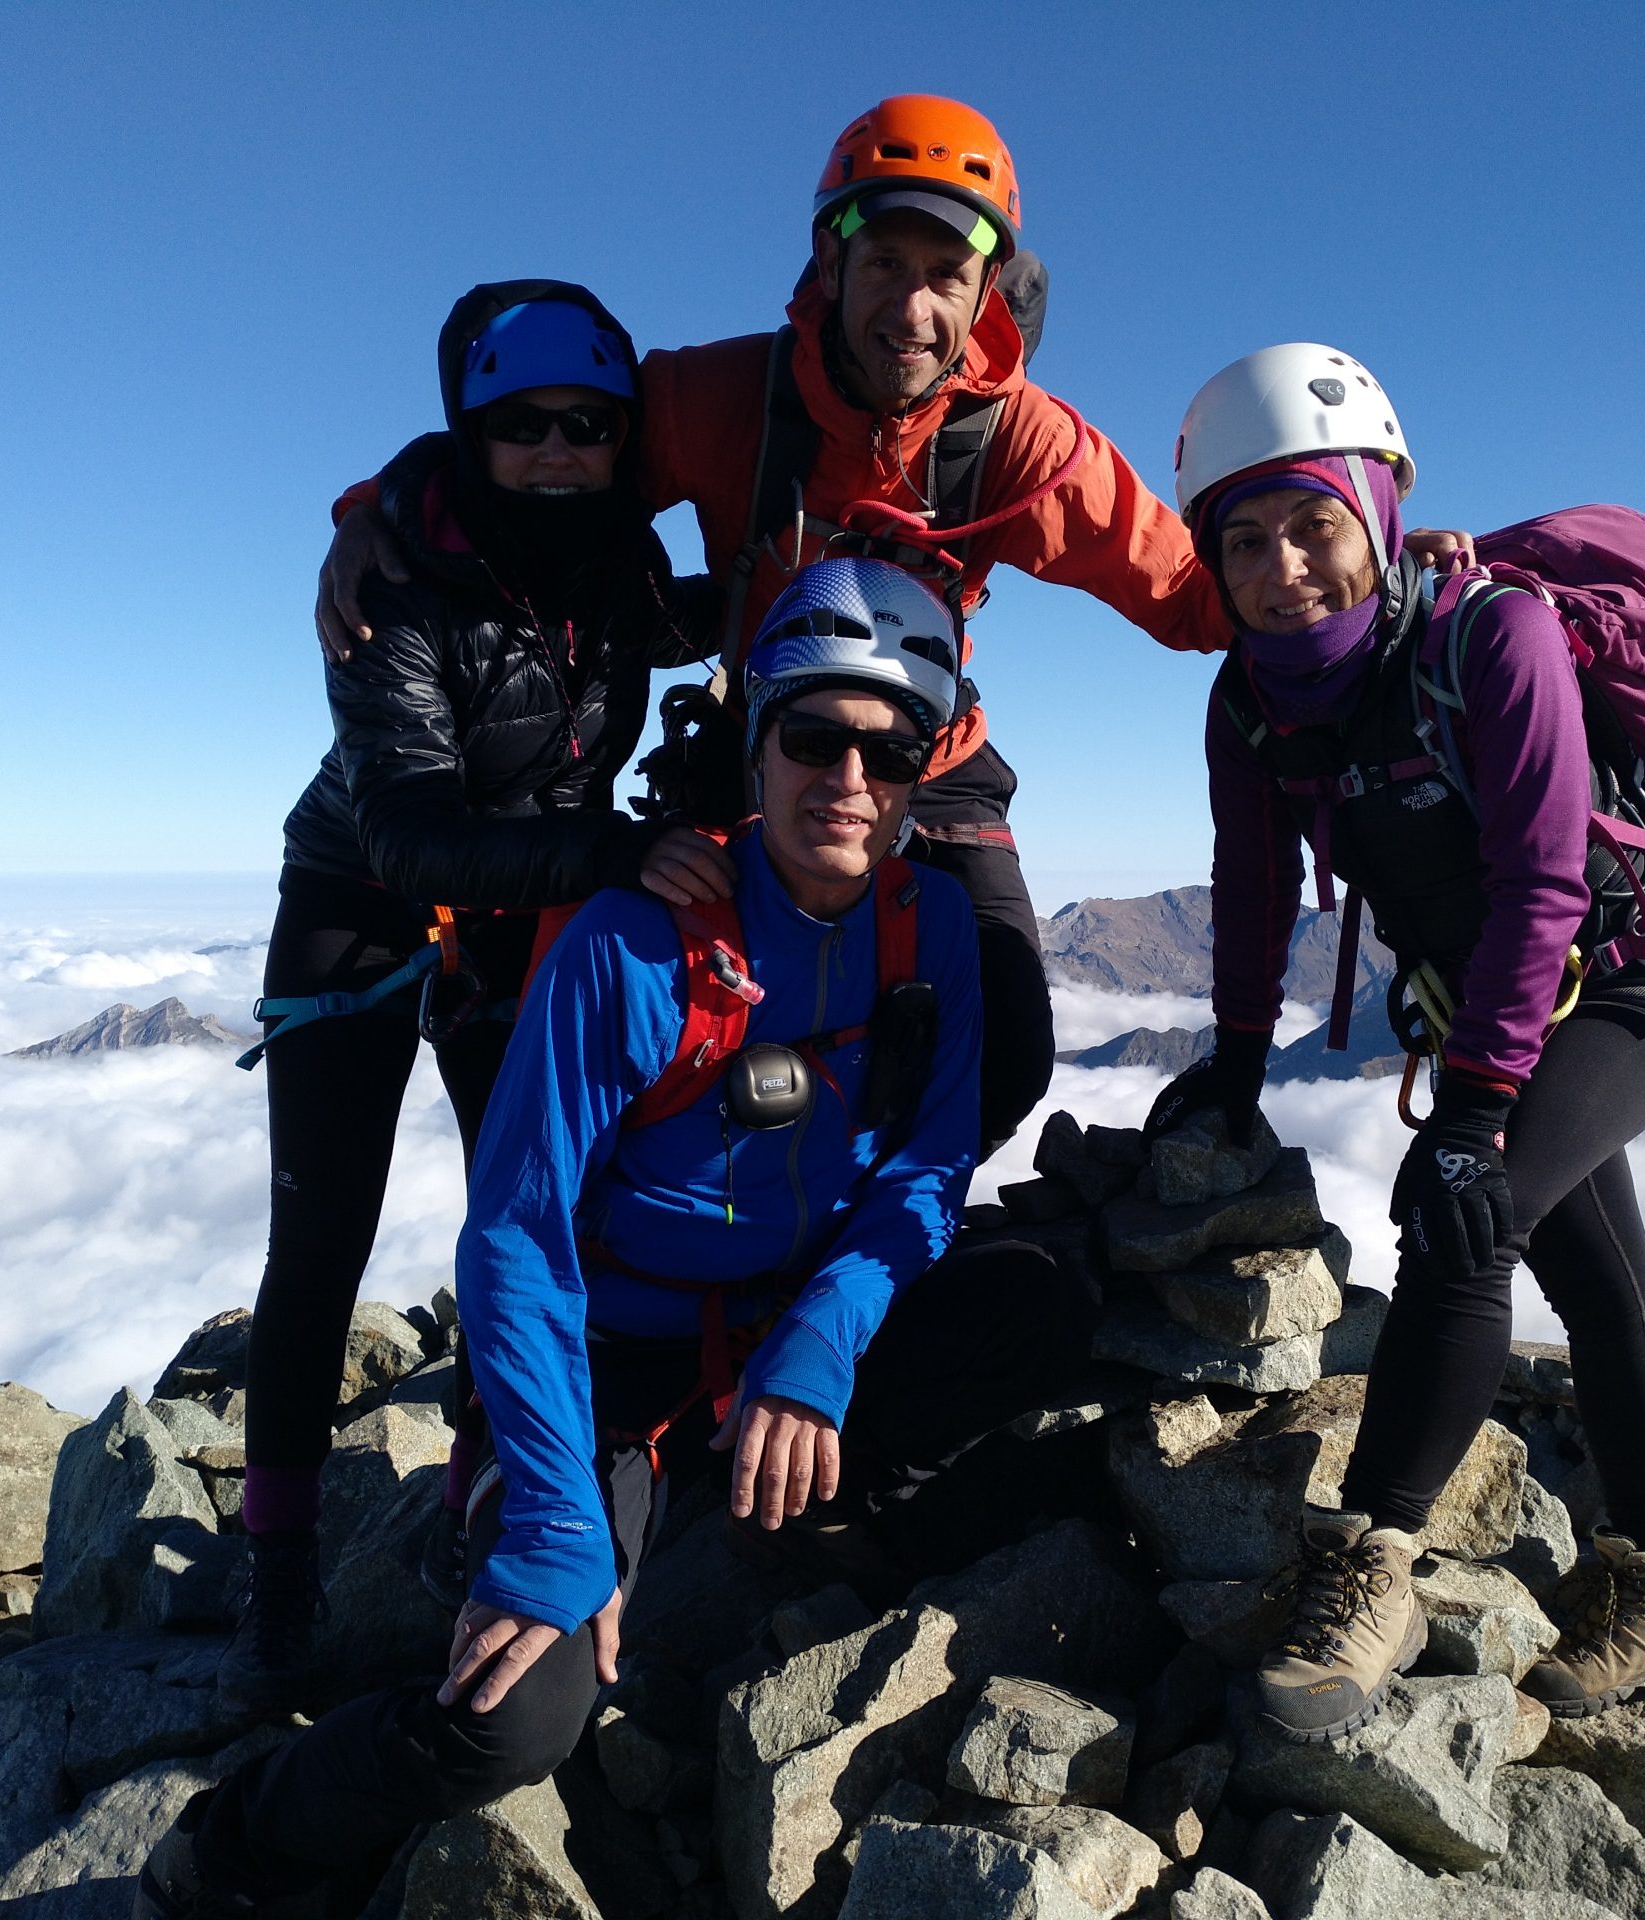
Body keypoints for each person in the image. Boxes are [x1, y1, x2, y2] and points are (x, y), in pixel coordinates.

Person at [136, 559, 1098, 1916]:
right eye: (812, 736)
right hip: (615, 1361)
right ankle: (237, 1840)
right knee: (514, 1720)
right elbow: (518, 1238)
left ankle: (798, 1502)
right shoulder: (635, 945)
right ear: (756, 744)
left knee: (1040, 1304)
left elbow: (932, 1168)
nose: (848, 779)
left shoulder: (929, 922)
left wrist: (819, 1349)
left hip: (785, 1326)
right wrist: (547, 1509)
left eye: (887, 753)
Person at [313, 95, 1441, 1155]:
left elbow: (1200, 598)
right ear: (829, 262)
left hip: (931, 765)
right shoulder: (725, 402)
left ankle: (867, 1260)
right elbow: (550, 447)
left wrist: (1385, 563)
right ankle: (726, 1265)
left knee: (1003, 1051)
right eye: (886, 265)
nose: (913, 307)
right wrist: (384, 505)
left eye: (947, 274)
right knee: (687, 1043)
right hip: (764, 761)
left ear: (987, 289)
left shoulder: (1021, 445)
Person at [1151, 344, 1645, 1738]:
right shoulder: (1250, 701)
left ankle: (1376, 1566)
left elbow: (1545, 879)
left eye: (1313, 524)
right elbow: (1251, 883)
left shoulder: (1495, 637)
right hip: (1493, 1001)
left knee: (1467, 1222)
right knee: (1594, 1270)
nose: (1283, 565)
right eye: (1244, 539)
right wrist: (1237, 1057)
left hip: (1628, 977)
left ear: (1376, 507)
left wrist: (1474, 1117)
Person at [223, 279, 732, 1716]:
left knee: (540, 1213)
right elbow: (407, 831)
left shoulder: (617, 570)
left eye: (589, 426)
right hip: (360, 913)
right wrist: (625, 850)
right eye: (523, 430)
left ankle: (490, 1494)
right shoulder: (392, 583)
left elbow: (707, 615)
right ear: (471, 433)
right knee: (321, 1245)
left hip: (524, 915)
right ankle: (278, 1569)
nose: (562, 453)